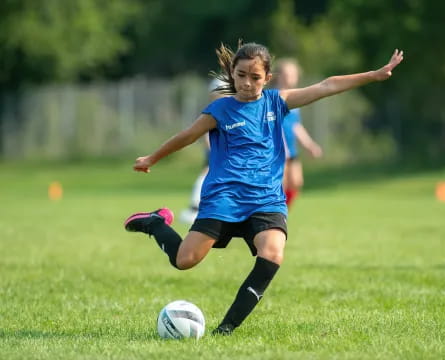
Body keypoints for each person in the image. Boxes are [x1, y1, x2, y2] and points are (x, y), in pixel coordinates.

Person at [123, 41, 404, 335]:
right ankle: (155, 223)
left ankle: (226, 329)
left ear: (267, 79)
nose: (247, 83)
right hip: (224, 197)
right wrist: (152, 157)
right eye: (241, 75)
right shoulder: (219, 110)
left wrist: (373, 75)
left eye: (255, 77)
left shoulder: (276, 103)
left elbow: (326, 86)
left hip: (265, 199)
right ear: (232, 74)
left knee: (272, 254)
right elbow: (187, 136)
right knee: (184, 260)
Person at [274, 58, 323, 208]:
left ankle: (281, 215)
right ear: (279, 76)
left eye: (294, 74)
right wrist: (282, 147)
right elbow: (272, 125)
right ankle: (272, 218)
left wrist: (309, 144)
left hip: (291, 149)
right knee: (278, 187)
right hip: (277, 150)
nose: (292, 77)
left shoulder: (294, 98)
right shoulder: (275, 97)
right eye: (288, 74)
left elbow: (295, 125)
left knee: (296, 182)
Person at [179, 79, 228, 224]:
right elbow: (206, 134)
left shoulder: (228, 110)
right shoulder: (213, 112)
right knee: (207, 174)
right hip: (217, 153)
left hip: (225, 153)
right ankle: (195, 207)